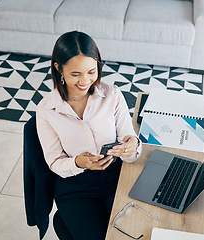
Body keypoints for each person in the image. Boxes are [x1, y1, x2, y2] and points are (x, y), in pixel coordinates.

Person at [36, 31, 142, 239]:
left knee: (132, 233)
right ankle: (69, 221)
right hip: (76, 186)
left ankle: (65, 225)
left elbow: (130, 143)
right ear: (59, 68)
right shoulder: (46, 110)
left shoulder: (113, 96)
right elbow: (54, 161)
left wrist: (132, 146)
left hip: (115, 177)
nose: (85, 81)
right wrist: (78, 162)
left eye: (91, 72)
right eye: (76, 74)